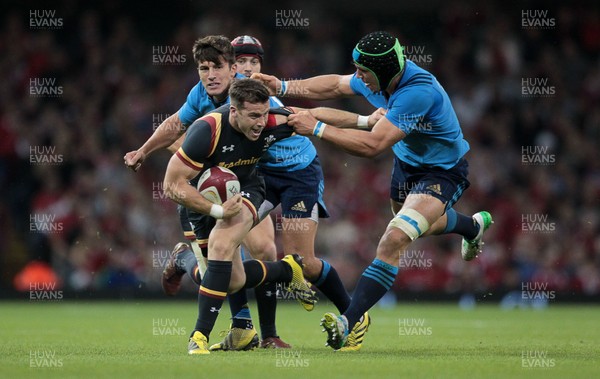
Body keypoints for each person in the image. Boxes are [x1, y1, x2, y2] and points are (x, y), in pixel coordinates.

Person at [253, 31, 493, 350]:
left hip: (442, 172)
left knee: (395, 238)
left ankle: (348, 322)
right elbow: (336, 85)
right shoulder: (376, 78)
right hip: (406, 167)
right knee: (418, 226)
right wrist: (282, 87)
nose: (359, 78)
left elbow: (372, 145)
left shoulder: (417, 92)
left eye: (364, 72)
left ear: (383, 71)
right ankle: (471, 226)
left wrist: (318, 128)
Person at [163, 78, 317, 355]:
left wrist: (366, 121)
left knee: (222, 247)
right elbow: (171, 186)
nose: (261, 122)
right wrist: (217, 210)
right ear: (234, 111)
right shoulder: (206, 131)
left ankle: (198, 336)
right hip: (201, 204)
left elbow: (317, 117)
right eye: (253, 116)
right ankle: (285, 269)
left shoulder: (273, 121)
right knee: (228, 280)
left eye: (264, 114)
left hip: (248, 190)